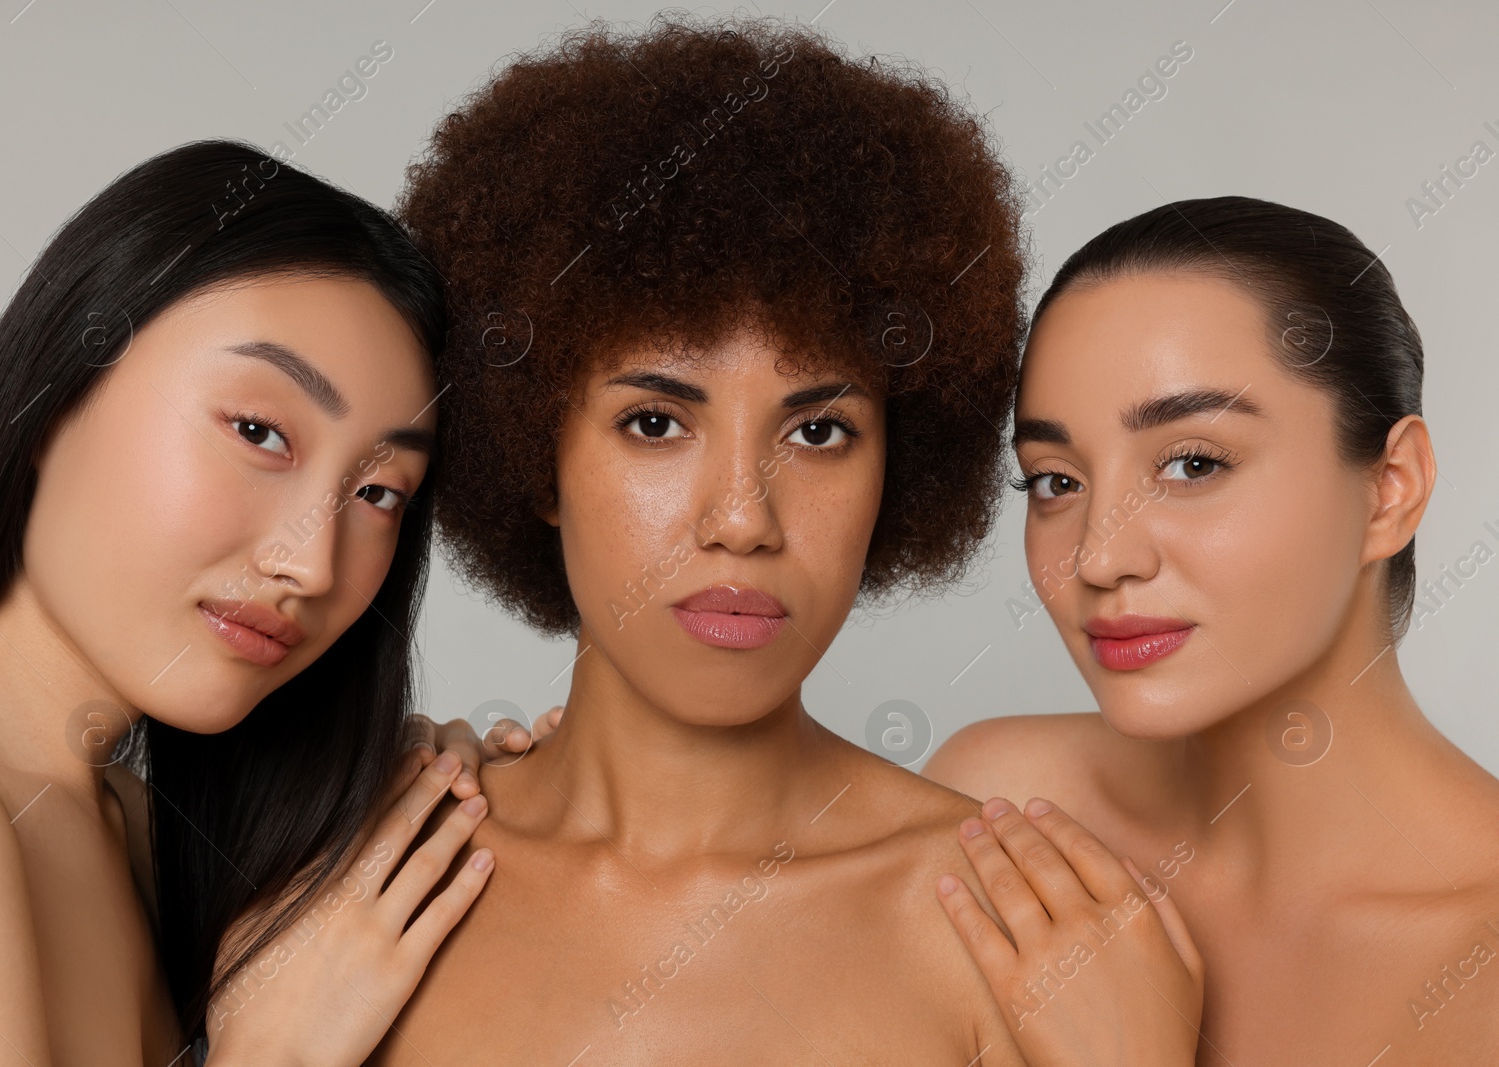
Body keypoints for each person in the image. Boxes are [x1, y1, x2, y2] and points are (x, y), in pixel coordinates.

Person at [372, 15, 1200, 1065]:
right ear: (531, 450)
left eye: (817, 431)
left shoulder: (1011, 927)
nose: (741, 519)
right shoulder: (378, 879)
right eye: (655, 422)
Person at [0, 139, 504, 1066]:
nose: (309, 563)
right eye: (259, 431)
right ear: (54, 392)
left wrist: (425, 813)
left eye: (380, 493)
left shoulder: (139, 836)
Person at [927, 196, 1499, 1064]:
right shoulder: (1003, 815)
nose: (1098, 556)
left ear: (1390, 488)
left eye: (1193, 463)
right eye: (1053, 480)